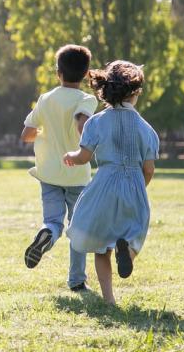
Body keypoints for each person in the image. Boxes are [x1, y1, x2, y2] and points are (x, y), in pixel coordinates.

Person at [63, 60, 159, 305]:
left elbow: (84, 157)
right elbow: (149, 169)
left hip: (104, 184)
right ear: (135, 92)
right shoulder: (146, 129)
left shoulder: (95, 122)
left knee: (100, 246)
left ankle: (109, 300)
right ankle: (127, 251)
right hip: (134, 184)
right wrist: (139, 186)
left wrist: (71, 157)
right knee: (134, 234)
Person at [21, 45, 98, 291]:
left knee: (53, 221)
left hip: (48, 173)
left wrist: (46, 134)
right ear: (86, 74)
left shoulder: (46, 98)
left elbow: (26, 134)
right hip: (76, 173)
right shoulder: (87, 99)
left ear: (58, 73)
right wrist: (83, 145)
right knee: (78, 228)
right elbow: (81, 122)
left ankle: (47, 234)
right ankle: (77, 280)